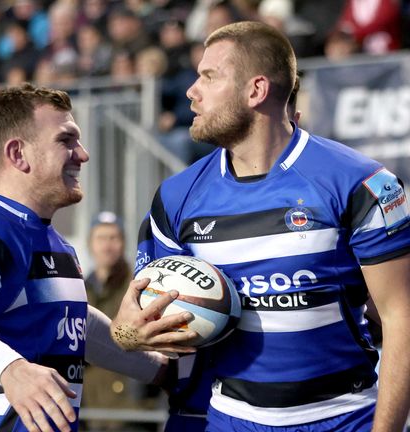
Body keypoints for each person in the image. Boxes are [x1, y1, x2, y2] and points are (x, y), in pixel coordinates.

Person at [132, 21, 410, 432]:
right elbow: (131, 325)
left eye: (208, 77)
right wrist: (131, 334)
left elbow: (401, 317)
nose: (192, 91)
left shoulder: (364, 183)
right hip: (229, 419)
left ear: (256, 90)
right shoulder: (176, 197)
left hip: (345, 417)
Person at [0, 84, 197, 432]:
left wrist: (161, 369)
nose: (82, 154)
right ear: (18, 154)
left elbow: (77, 327)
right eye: (65, 140)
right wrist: (12, 369)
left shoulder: (50, 238)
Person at [83, 211, 162, 431]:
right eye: (101, 238)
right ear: (90, 244)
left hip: (133, 414)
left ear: (124, 243)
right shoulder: (79, 289)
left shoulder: (141, 288)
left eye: (113, 238)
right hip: (90, 414)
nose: (107, 246)